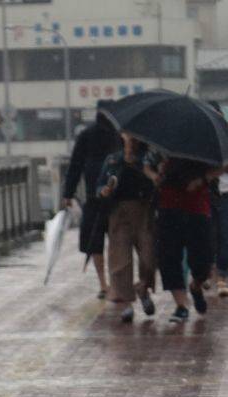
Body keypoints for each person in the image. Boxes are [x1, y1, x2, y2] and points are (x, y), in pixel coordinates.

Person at [144, 151, 222, 322]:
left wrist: (204, 178)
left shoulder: (206, 142)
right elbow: (146, 164)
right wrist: (155, 175)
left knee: (204, 261)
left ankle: (196, 286)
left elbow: (224, 164)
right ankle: (181, 305)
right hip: (168, 206)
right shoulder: (164, 142)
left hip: (198, 207)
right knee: (168, 257)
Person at [63, 99, 122, 299]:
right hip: (115, 199)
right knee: (114, 242)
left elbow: (75, 166)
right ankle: (110, 283)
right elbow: (75, 165)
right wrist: (68, 193)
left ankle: (104, 284)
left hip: (94, 198)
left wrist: (68, 194)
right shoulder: (119, 135)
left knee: (96, 241)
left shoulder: (87, 135)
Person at [97, 134, 156, 323]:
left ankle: (143, 288)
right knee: (120, 261)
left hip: (144, 211)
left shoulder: (148, 159)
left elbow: (156, 183)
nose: (130, 139)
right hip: (119, 214)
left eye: (134, 136)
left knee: (149, 257)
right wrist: (104, 191)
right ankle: (127, 304)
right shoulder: (113, 160)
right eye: (126, 135)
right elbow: (99, 185)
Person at [208, 101, 228, 298]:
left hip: (224, 194)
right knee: (208, 236)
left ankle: (222, 276)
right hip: (205, 195)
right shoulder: (199, 142)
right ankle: (205, 273)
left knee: (225, 236)